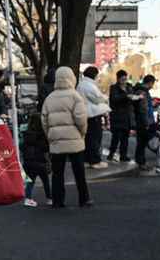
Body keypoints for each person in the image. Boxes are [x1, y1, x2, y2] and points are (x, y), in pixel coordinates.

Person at [42, 66, 91, 208]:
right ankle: (84, 198)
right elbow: (81, 119)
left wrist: (50, 136)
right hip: (75, 140)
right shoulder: (75, 96)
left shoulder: (49, 98)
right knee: (79, 172)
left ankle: (58, 201)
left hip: (56, 141)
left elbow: (44, 121)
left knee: (57, 173)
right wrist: (82, 134)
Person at [77, 66, 111, 169]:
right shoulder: (89, 85)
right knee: (94, 139)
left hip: (86, 115)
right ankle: (94, 161)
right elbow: (98, 98)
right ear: (94, 75)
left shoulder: (82, 84)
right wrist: (106, 98)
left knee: (88, 139)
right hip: (92, 115)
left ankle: (87, 160)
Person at [22, 113, 52, 207]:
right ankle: (49, 198)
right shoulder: (42, 134)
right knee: (46, 181)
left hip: (29, 161)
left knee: (30, 181)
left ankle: (28, 198)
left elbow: (22, 147)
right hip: (40, 161)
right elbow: (45, 148)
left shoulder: (26, 134)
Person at [132, 74, 157, 171]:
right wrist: (147, 123)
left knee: (142, 142)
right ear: (150, 82)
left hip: (143, 121)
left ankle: (141, 161)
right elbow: (143, 109)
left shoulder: (142, 91)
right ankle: (141, 162)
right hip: (143, 122)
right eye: (152, 83)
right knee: (143, 143)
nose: (152, 86)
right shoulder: (143, 92)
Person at [107, 70, 133, 163]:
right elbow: (114, 99)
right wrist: (126, 96)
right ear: (118, 79)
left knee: (125, 138)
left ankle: (123, 155)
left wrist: (134, 97)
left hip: (127, 116)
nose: (124, 81)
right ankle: (111, 153)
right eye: (122, 79)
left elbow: (132, 97)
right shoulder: (114, 88)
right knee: (116, 137)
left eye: (125, 79)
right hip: (117, 116)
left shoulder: (129, 87)